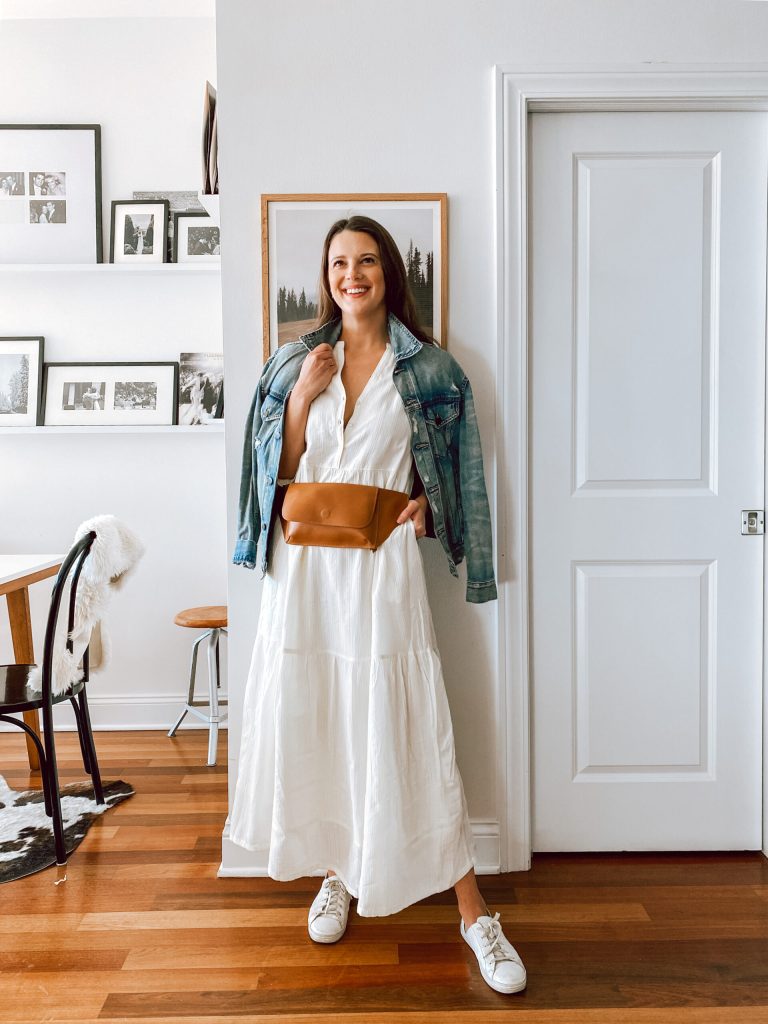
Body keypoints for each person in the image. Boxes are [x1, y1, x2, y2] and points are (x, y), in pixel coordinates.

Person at [231, 216, 526, 996]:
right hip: (304, 574)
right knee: (319, 712)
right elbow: (277, 470)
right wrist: (301, 398)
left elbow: (457, 469)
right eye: (338, 262)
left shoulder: (429, 369)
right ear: (324, 273)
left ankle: (474, 913)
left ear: (388, 273)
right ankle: (337, 871)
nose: (351, 274)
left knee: (404, 721)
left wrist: (431, 507)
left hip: (383, 565)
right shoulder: (295, 359)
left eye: (365, 261)